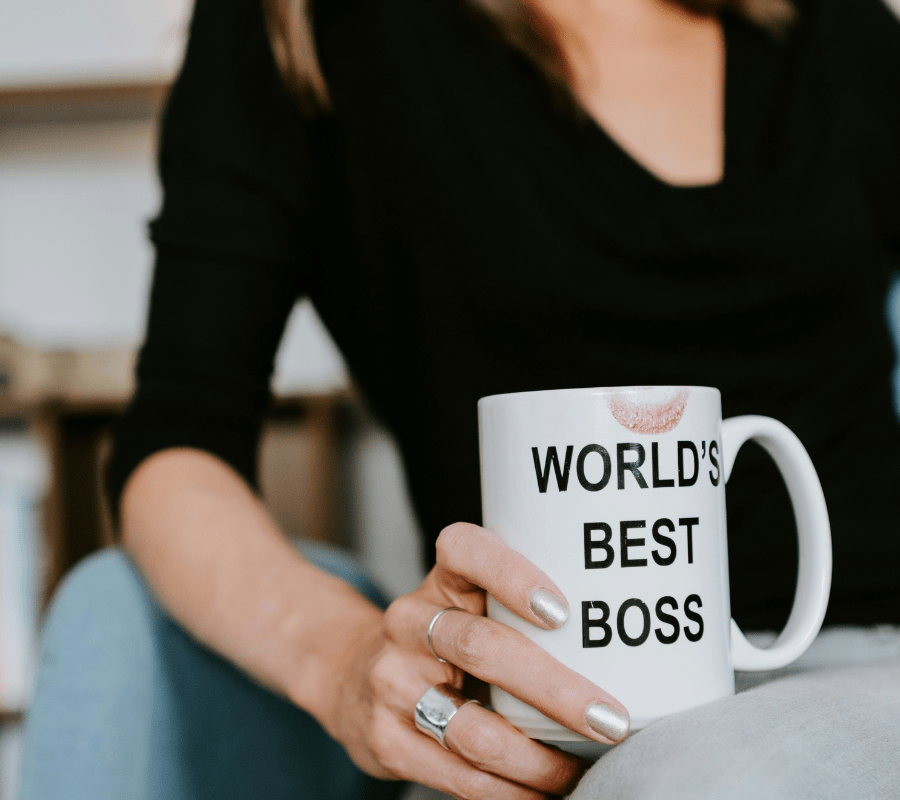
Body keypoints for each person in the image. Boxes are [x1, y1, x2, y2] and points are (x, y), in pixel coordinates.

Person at [19, 0, 900, 797]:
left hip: (857, 658)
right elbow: (179, 439)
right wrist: (342, 659)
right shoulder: (308, 30)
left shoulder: (833, 31)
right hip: (519, 713)